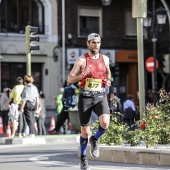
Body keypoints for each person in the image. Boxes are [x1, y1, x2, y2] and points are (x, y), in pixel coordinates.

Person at [67, 33, 111, 170]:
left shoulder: (105, 59)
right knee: (85, 131)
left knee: (105, 122)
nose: (96, 45)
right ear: (88, 44)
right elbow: (69, 79)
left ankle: (95, 139)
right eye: (93, 42)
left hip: (100, 96)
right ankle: (83, 158)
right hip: (85, 97)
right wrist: (81, 76)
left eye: (98, 42)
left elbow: (108, 73)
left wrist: (108, 80)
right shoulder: (81, 60)